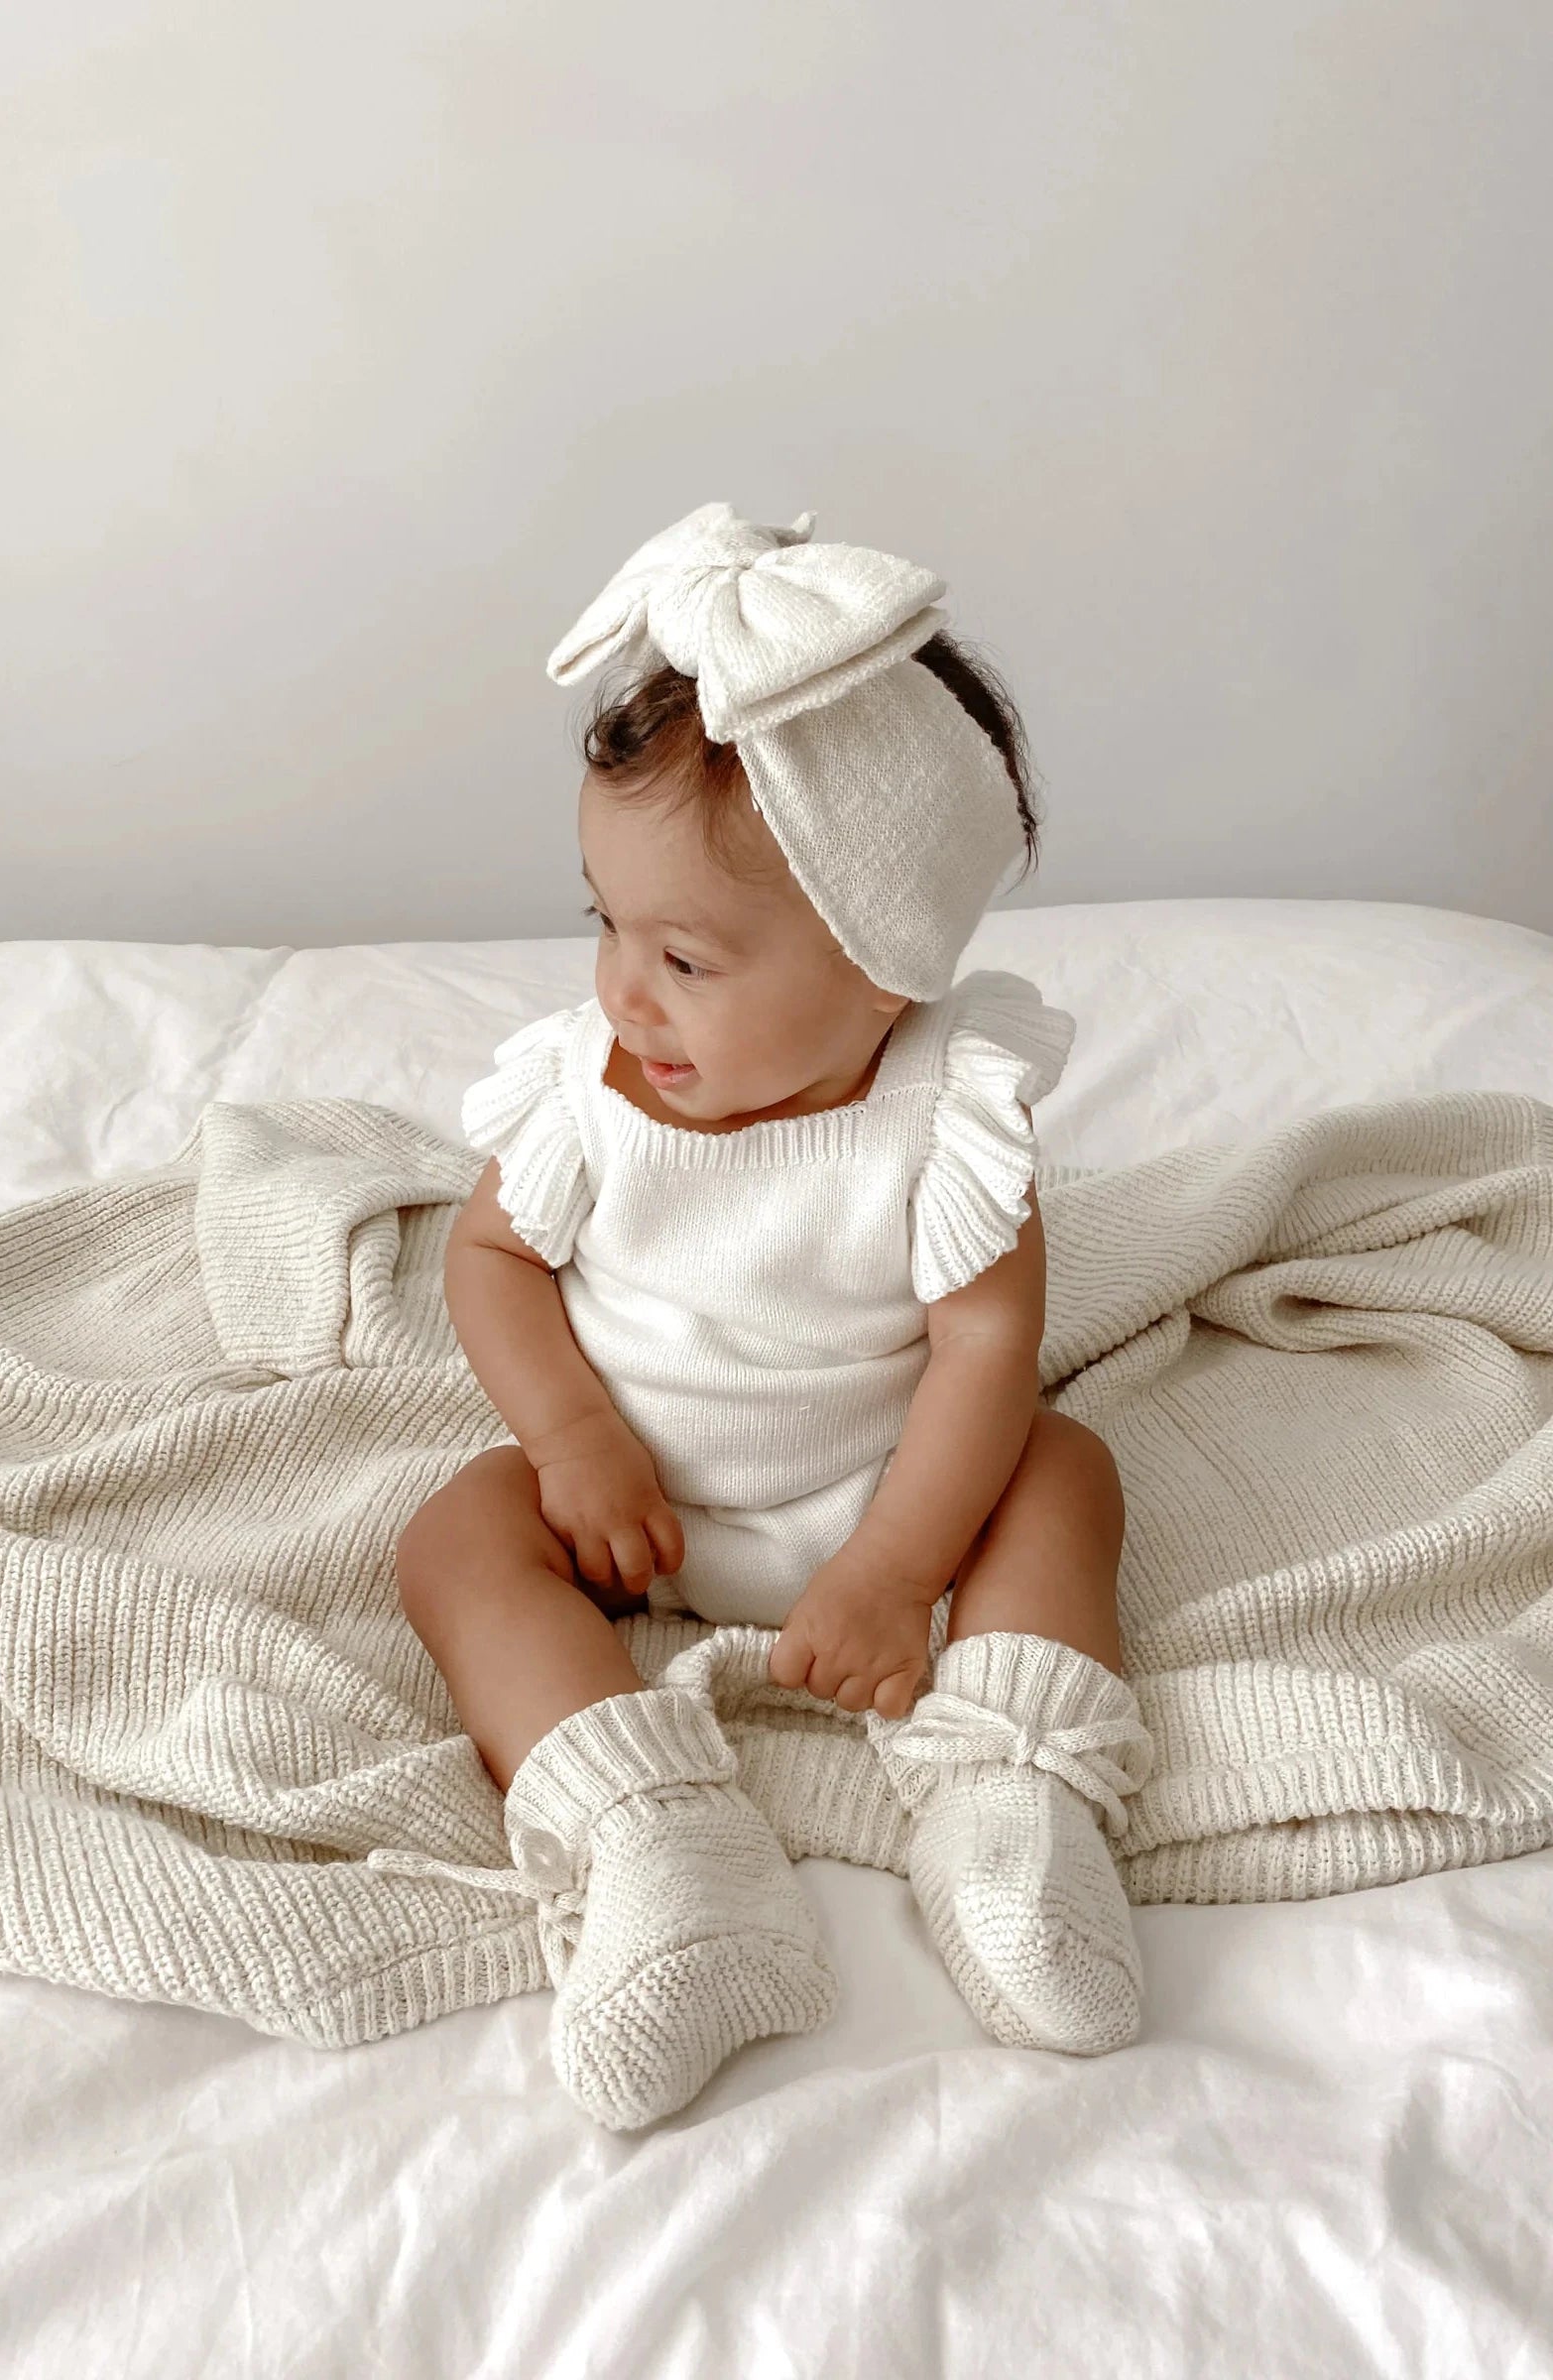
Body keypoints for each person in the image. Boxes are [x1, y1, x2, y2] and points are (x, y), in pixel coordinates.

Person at [395, 502, 1154, 2130]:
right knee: (456, 1532)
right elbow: (491, 1264)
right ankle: (657, 1841)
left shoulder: (948, 1111)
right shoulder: (588, 1095)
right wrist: (573, 1434)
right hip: (628, 1515)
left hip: (894, 1514)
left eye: (683, 954)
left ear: (885, 973)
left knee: (1067, 1467)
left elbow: (984, 1352)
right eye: (604, 923)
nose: (624, 991)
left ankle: (1010, 1809)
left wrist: (894, 1570)